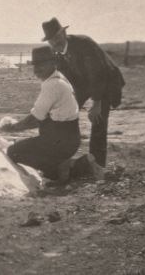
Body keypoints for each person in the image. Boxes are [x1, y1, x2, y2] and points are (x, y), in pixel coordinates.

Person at [41, 17, 125, 173]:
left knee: (98, 119)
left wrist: (97, 103)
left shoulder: (83, 44)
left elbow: (97, 74)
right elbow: (65, 79)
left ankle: (98, 167)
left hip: (106, 81)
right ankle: (58, 161)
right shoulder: (56, 53)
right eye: (51, 40)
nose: (55, 42)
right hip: (83, 83)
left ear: (64, 32)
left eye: (57, 37)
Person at [0, 46, 83, 183]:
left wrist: (12, 127)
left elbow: (35, 119)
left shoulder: (52, 85)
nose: (37, 69)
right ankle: (71, 164)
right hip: (69, 139)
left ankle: (62, 168)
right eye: (35, 65)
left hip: (59, 142)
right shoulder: (60, 78)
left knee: (13, 152)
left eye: (42, 64)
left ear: (53, 63)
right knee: (27, 147)